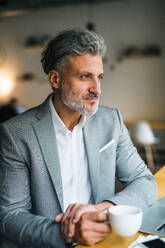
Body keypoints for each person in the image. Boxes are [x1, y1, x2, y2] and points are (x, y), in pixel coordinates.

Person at [0, 28, 157, 248]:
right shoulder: (16, 134)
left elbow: (145, 182)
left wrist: (100, 208)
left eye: (99, 77)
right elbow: (10, 215)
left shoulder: (111, 121)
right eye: (85, 77)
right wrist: (70, 233)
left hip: (102, 242)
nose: (97, 89)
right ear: (55, 79)